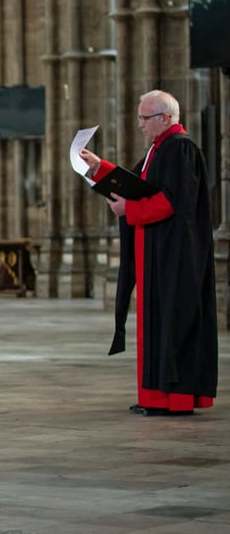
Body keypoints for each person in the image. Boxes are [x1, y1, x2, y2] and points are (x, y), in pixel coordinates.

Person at [79, 90, 217, 417]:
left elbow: (172, 201)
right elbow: (137, 184)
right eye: (139, 118)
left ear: (165, 118)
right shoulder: (159, 149)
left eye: (145, 118)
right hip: (157, 252)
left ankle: (176, 400)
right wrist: (99, 168)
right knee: (157, 323)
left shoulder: (180, 149)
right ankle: (155, 397)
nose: (139, 125)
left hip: (176, 256)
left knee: (175, 323)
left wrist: (130, 209)